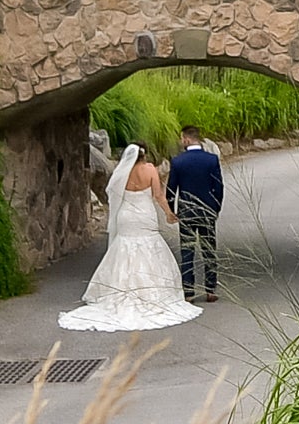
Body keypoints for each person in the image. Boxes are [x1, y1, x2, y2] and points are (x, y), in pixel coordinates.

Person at [59, 141, 199, 333]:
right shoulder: (150, 169)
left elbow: (112, 193)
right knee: (149, 249)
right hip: (144, 215)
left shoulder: (121, 172)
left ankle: (119, 292)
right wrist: (168, 213)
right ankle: (151, 293)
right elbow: (158, 195)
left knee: (124, 250)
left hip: (126, 216)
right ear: (145, 155)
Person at [167, 127, 226, 302]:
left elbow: (171, 188)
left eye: (181, 138)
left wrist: (172, 209)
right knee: (209, 250)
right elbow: (219, 187)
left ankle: (189, 292)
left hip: (186, 212)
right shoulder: (211, 160)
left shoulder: (178, 162)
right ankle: (210, 289)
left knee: (187, 252)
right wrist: (215, 208)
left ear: (186, 139)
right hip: (207, 211)